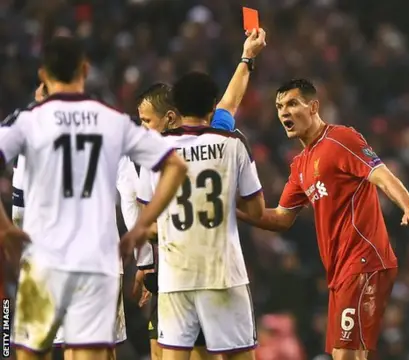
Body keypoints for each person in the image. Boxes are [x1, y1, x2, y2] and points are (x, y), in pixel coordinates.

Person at [0, 36, 187, 360]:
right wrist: (142, 226)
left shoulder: (27, 121)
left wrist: (5, 228)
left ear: (44, 75)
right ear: (85, 70)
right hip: (96, 262)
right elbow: (174, 164)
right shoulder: (111, 121)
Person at [237, 78, 409, 360]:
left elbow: (381, 174)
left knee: (344, 354)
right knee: (354, 354)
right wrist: (233, 210)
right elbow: (280, 218)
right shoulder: (300, 165)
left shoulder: (341, 139)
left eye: (292, 104)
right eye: (279, 107)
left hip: (364, 259)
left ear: (314, 106)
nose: (284, 113)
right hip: (339, 272)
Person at [133, 27, 267, 360]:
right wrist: (247, 57)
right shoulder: (230, 141)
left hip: (176, 274)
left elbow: (145, 222)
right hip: (223, 272)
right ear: (211, 109)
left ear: (174, 110)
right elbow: (258, 209)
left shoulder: (156, 153)